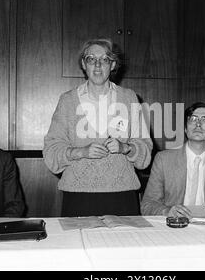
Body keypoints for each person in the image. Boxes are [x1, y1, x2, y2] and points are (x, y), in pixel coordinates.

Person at [43, 38, 152, 217]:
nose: (98, 65)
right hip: (78, 196)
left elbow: (145, 153)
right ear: (83, 64)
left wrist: (125, 148)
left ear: (113, 65)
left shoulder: (129, 97)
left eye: (105, 59)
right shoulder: (67, 100)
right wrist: (81, 152)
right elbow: (51, 152)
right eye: (91, 59)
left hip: (122, 196)